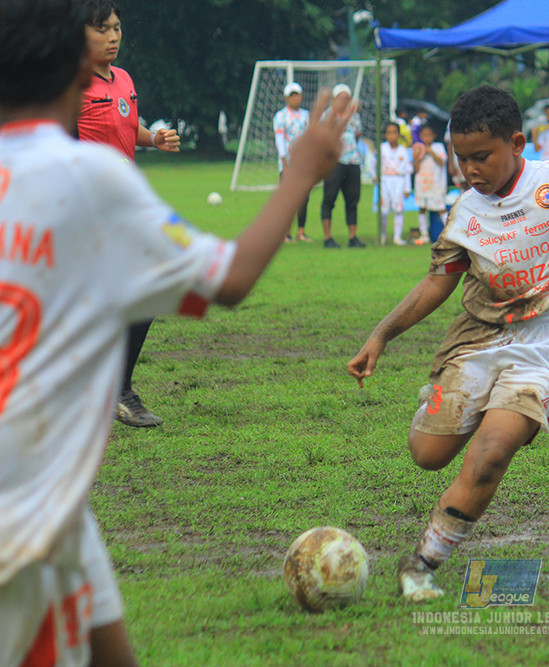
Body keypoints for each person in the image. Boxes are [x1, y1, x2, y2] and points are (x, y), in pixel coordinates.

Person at [0, 1, 355, 663]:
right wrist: (302, 171)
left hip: (57, 505)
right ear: (80, 66)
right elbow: (231, 278)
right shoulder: (88, 178)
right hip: (23, 511)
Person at [347, 44, 549, 603]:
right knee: (427, 454)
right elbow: (436, 283)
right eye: (460, 157)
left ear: (517, 144)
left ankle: (421, 564)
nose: (469, 170)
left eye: (482, 156)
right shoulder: (465, 210)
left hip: (548, 343)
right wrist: (381, 334)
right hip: (477, 337)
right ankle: (474, 402)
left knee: (491, 453)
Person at [77, 0, 180, 429]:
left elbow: (123, 127)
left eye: (117, 27)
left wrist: (152, 139)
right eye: (102, 29)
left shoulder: (122, 80)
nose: (113, 36)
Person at [320, 84, 366, 249]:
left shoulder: (355, 116)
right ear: (334, 99)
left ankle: (352, 237)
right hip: (334, 163)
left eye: (347, 97)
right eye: (341, 97)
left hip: (352, 161)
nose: (344, 100)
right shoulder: (327, 116)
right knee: (329, 199)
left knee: (352, 200)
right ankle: (327, 237)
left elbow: (358, 135)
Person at [274, 81, 313, 243]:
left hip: (303, 163)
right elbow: (279, 139)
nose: (295, 98)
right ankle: (285, 232)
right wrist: (284, 162)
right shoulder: (281, 116)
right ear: (286, 98)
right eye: (292, 96)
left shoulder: (306, 115)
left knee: (304, 198)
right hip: (288, 163)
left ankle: (301, 231)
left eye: (297, 95)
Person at [412, 124, 448, 245]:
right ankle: (424, 235)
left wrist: (430, 151)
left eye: (429, 135)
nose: (426, 138)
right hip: (422, 184)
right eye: (424, 135)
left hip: (435, 184)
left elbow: (442, 162)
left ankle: (450, 233)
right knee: (422, 208)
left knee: (440, 208)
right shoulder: (418, 148)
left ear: (433, 136)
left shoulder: (438, 147)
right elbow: (415, 168)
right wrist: (417, 157)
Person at [380, 121, 413, 246]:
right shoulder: (382, 148)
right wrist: (375, 176)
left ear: (399, 134)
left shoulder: (403, 150)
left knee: (398, 209)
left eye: (394, 133)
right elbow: (374, 163)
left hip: (399, 181)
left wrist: (407, 188)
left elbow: (407, 171)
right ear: (385, 135)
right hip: (385, 180)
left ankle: (397, 237)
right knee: (384, 210)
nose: (392, 136)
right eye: (389, 133)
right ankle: (382, 235)